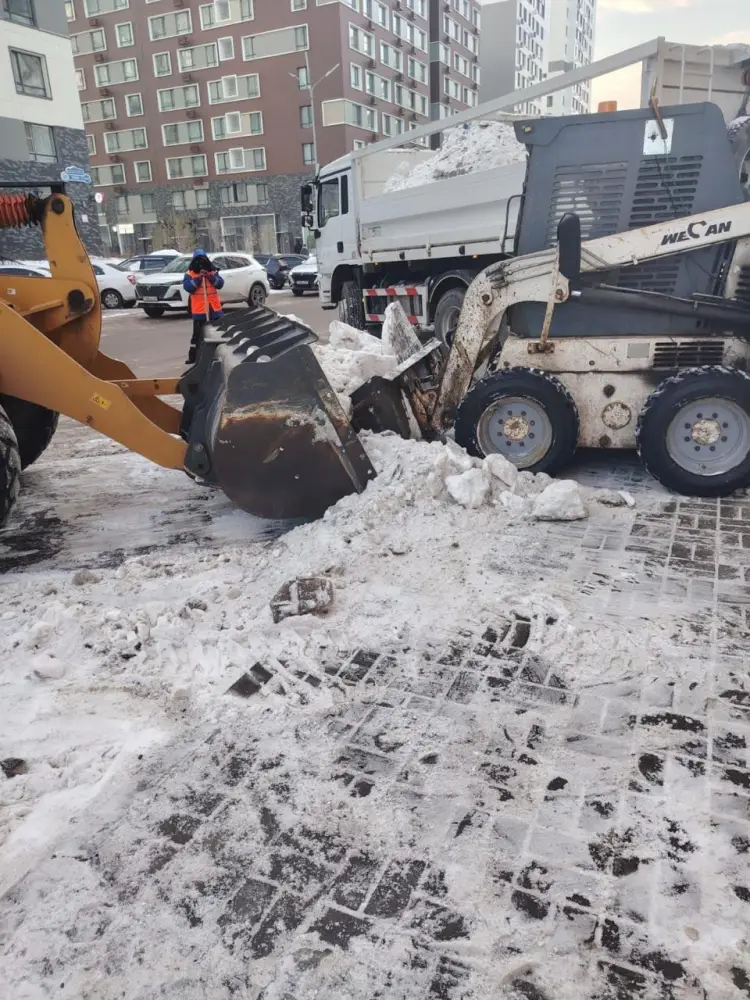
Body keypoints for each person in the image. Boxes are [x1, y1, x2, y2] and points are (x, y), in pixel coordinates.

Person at [183, 249, 225, 364]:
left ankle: (217, 356)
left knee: (218, 334)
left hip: (214, 309)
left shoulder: (212, 272)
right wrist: (198, 279)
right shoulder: (190, 274)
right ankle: (194, 357)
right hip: (200, 311)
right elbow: (188, 287)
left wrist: (209, 277)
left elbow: (220, 284)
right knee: (197, 335)